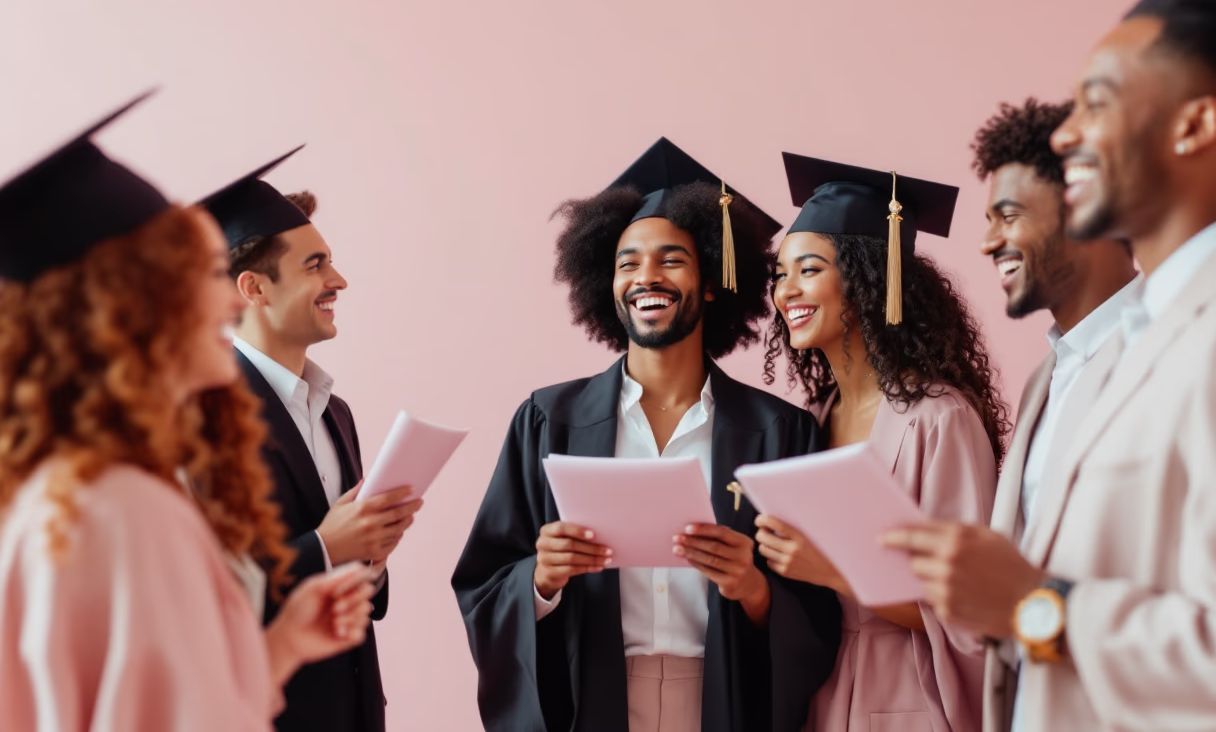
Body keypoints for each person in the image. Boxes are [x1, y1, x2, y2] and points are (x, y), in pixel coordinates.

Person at [883, 0, 1216, 730]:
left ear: (1196, 121)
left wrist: (1036, 606)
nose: (1067, 138)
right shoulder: (1113, 352)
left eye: (1097, 102)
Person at [0, 95, 376, 731]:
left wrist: (281, 646)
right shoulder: (126, 510)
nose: (228, 303)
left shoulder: (63, 495)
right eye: (205, 272)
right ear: (132, 305)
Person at [452, 138, 843, 732]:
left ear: (711, 281)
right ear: (605, 286)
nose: (646, 277)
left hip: (720, 701)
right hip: (595, 702)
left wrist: (754, 590)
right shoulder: (548, 420)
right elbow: (483, 583)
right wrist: (542, 577)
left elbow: (822, 610)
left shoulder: (777, 432)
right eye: (627, 263)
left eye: (671, 259)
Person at [757, 153, 1005, 732]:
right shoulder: (812, 419)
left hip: (910, 695)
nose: (785, 291)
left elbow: (972, 608)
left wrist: (836, 571)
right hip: (821, 690)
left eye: (809, 270)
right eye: (779, 275)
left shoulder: (939, 420)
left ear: (870, 277)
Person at [201, 151, 419, 732]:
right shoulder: (201, 416)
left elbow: (365, 602)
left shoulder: (335, 412)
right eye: (315, 265)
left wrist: (371, 553)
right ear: (254, 288)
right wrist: (325, 547)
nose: (338, 281)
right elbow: (204, 594)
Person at [971, 97, 1138, 730]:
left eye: (1007, 215)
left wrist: (1023, 604)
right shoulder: (1045, 379)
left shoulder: (1179, 358)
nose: (989, 242)